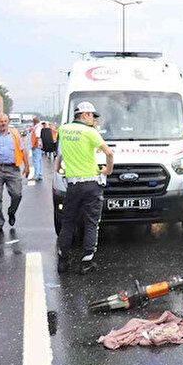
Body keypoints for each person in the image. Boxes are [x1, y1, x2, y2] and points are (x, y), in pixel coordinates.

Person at [56, 102, 114, 274]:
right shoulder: (90, 132)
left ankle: (63, 261)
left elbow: (60, 153)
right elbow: (109, 153)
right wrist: (108, 170)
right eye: (92, 116)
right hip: (91, 185)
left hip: (72, 185)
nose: (94, 119)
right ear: (85, 115)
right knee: (91, 223)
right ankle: (86, 262)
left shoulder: (63, 129)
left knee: (68, 223)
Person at [0, 113, 30, 233]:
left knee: (17, 194)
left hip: (12, 168)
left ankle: (11, 212)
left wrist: (27, 166)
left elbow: (23, 151)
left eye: (5, 121)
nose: (3, 123)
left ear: (8, 122)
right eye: (0, 121)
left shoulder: (15, 134)